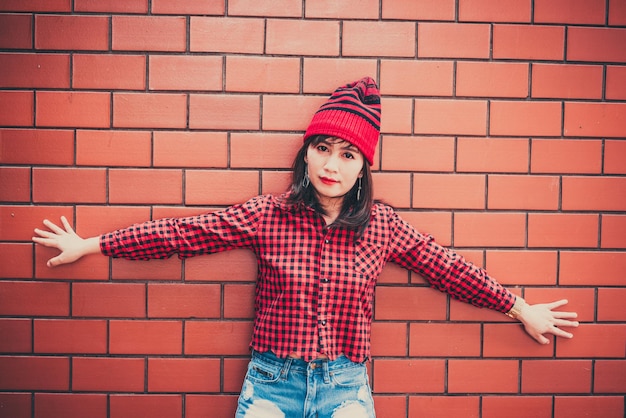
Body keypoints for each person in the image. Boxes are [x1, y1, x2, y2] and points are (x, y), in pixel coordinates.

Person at [33, 77, 579, 418]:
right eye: (323, 149)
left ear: (363, 165)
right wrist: (93, 244)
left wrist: (518, 306)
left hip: (346, 389)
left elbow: (447, 268)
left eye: (347, 154)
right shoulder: (268, 215)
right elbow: (184, 234)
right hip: (273, 386)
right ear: (307, 154)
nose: (332, 165)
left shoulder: (382, 226)